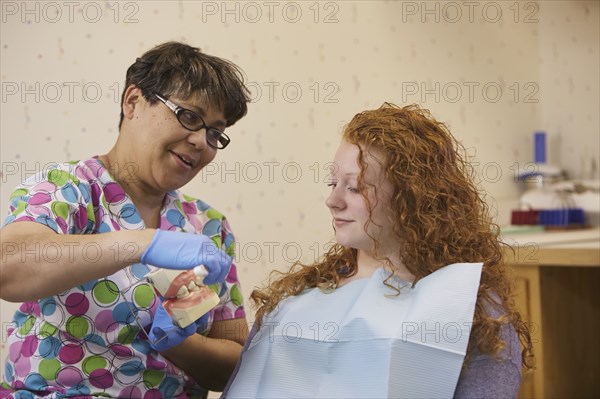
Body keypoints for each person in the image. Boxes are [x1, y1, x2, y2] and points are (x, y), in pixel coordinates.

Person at [223, 103, 534, 398]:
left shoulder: (473, 311)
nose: (333, 201)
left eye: (355, 187)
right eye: (333, 183)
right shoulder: (295, 301)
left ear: (411, 198)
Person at [0, 41, 251, 399]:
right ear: (133, 101)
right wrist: (143, 243)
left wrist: (179, 343)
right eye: (190, 116)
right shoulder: (68, 190)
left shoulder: (207, 226)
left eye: (215, 132)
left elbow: (234, 367)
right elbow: (8, 266)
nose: (200, 141)